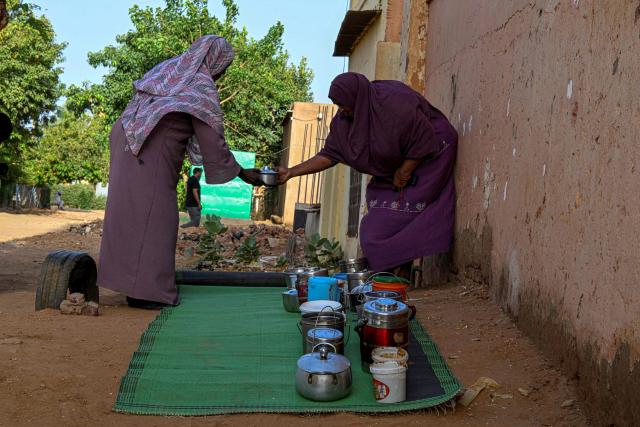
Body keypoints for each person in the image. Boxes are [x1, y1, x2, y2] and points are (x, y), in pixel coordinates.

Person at [98, 35, 262, 310]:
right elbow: (213, 142)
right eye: (224, 67)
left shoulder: (169, 70)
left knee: (128, 214)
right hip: (151, 148)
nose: (221, 73)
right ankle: (149, 292)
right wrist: (244, 174)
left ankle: (133, 285)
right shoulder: (200, 83)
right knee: (156, 218)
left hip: (126, 138)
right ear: (216, 61)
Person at [277, 72, 458, 278]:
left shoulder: (394, 105)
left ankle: (400, 273)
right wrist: (291, 172)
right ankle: (395, 274)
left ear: (358, 97)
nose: (341, 109)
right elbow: (329, 155)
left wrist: (405, 170)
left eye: (343, 103)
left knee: (401, 216)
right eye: (337, 104)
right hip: (395, 168)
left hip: (432, 155)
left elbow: (424, 136)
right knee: (375, 227)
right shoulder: (344, 121)